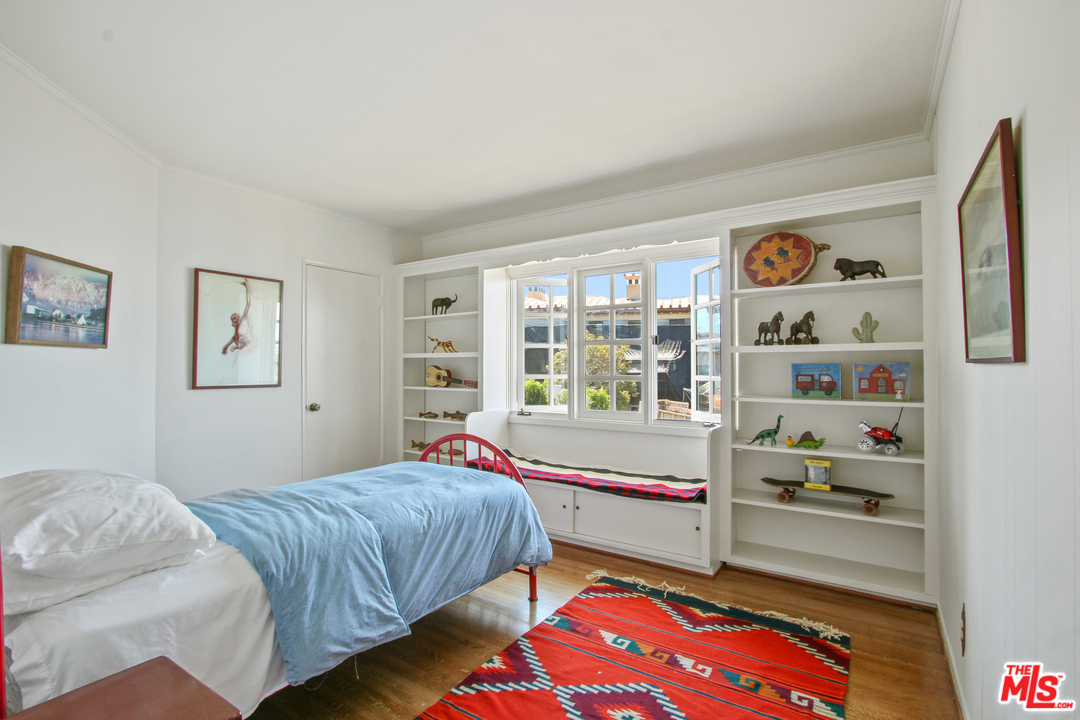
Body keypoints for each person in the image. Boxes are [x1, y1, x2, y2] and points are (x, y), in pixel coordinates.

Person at [222, 279, 253, 355]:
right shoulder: (237, 329)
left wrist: (247, 289)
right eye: (232, 319)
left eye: (235, 318)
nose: (234, 320)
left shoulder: (243, 321)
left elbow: (248, 304)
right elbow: (234, 338)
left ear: (238, 318)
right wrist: (226, 347)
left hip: (247, 347)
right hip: (242, 349)